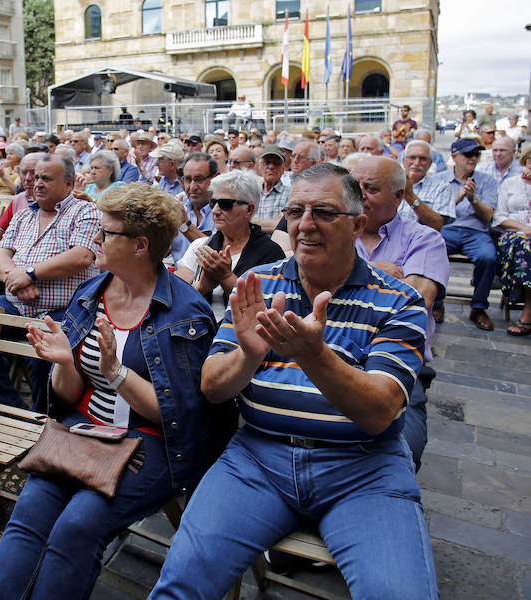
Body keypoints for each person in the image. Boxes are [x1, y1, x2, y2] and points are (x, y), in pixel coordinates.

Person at [149, 163, 438, 599]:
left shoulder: (400, 301)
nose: (304, 225)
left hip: (362, 468)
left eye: (323, 212)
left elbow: (379, 412)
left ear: (358, 224)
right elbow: (212, 386)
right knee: (179, 587)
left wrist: (313, 355)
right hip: (259, 460)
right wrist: (249, 352)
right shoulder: (258, 283)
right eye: (295, 211)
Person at [0, 183, 223, 600]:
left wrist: (116, 373)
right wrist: (66, 362)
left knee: (78, 527)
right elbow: (70, 396)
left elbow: (178, 416)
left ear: (141, 245)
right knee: (28, 515)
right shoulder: (91, 294)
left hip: (150, 442)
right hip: (85, 429)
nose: (96, 239)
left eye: (107, 233)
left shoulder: (185, 313)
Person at [351, 155, 449, 470]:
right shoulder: (332, 233)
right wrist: (375, 271)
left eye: (371, 188)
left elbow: (418, 299)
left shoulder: (424, 238)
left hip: (399, 361)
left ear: (397, 195)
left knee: (406, 449)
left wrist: (347, 279)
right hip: (334, 352)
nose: (360, 194)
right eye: (355, 186)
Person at [0, 154, 100, 409]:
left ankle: (42, 422)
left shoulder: (85, 211)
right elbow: (1, 255)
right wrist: (18, 280)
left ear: (69, 184)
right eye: (36, 177)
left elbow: (81, 256)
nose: (37, 183)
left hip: (64, 309)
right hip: (17, 302)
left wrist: (30, 273)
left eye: (46, 178)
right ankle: (13, 410)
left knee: (43, 357)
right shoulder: (25, 214)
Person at [175, 171, 285, 320]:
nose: (215, 211)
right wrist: (201, 288)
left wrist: (225, 277)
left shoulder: (270, 253)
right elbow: (174, 298)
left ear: (250, 209)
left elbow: (265, 311)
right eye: (213, 203)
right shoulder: (201, 246)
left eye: (225, 204)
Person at [433, 138, 499, 330]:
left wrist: (473, 199)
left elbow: (488, 216)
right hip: (448, 229)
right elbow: (435, 215)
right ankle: (437, 303)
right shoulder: (439, 179)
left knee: (488, 257)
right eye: (468, 154)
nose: (473, 158)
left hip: (476, 231)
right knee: (432, 250)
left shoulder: (488, 181)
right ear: (454, 157)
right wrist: (459, 196)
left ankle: (478, 307)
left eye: (476, 154)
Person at [492, 148, 531, 335]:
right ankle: (528, 312)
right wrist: (524, 229)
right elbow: (499, 217)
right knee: (526, 247)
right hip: (515, 233)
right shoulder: (511, 184)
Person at [0, 152, 45, 248]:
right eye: (24, 173)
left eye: (33, 173)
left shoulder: (54, 202)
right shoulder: (19, 199)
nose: (27, 178)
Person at [398, 140, 454, 231]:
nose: (416, 163)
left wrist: (410, 196)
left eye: (423, 159)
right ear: (403, 161)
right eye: (412, 158)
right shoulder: (389, 184)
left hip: (422, 241)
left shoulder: (442, 187)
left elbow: (437, 224)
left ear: (430, 163)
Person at [251, 145, 290, 232]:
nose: (271, 167)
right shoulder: (252, 193)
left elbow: (281, 226)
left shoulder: (290, 194)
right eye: (267, 162)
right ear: (260, 166)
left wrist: (250, 222)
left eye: (276, 163)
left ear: (283, 168)